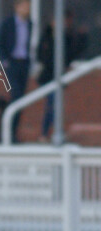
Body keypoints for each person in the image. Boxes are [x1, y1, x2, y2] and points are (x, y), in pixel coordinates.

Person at [36, 10, 88, 141]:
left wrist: (83, 37)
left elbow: (72, 54)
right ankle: (47, 133)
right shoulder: (46, 36)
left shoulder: (66, 37)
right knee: (52, 104)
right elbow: (40, 55)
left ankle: (53, 132)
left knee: (56, 104)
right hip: (48, 76)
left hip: (59, 76)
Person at [0, 0, 33, 143]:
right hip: (11, 64)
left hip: (24, 64)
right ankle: (7, 131)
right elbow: (0, 44)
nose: (27, 9)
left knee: (21, 99)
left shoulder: (30, 24)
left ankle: (13, 132)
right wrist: (4, 61)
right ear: (17, 7)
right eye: (24, 5)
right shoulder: (7, 24)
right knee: (15, 95)